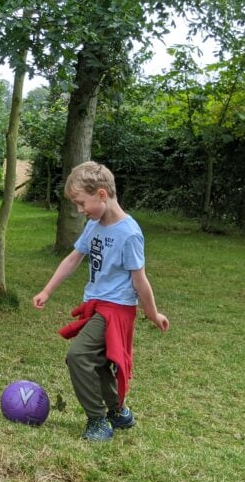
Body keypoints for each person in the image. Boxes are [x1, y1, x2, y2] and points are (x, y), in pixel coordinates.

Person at [32, 161, 169, 442]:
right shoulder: (94, 226)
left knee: (79, 356)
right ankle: (118, 412)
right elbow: (74, 258)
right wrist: (47, 290)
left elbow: (140, 279)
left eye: (82, 203)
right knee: (98, 362)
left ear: (102, 194)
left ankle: (98, 420)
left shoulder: (129, 233)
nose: (81, 210)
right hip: (97, 304)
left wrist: (152, 314)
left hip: (116, 310)